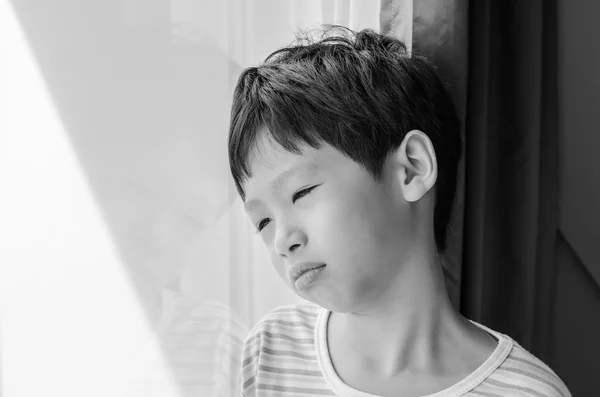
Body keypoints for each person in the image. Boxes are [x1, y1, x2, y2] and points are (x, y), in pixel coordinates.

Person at [227, 26, 570, 397]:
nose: (281, 240)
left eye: (302, 192)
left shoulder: (528, 392)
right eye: (262, 221)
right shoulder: (272, 350)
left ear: (411, 169)